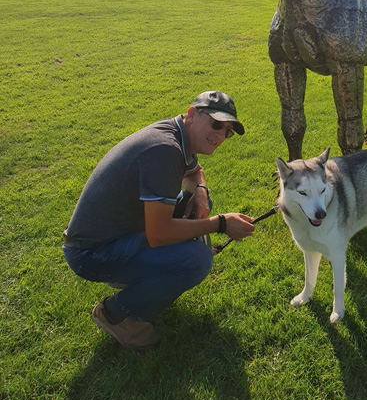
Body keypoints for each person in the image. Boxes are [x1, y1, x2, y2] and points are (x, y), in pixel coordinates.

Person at [63, 91, 255, 350]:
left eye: (228, 132)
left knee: (197, 204)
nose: (220, 136)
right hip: (91, 254)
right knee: (197, 260)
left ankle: (138, 276)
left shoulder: (177, 134)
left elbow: (195, 172)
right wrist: (220, 223)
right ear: (191, 114)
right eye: (216, 124)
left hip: (116, 234)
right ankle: (116, 314)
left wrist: (200, 192)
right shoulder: (165, 150)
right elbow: (158, 233)